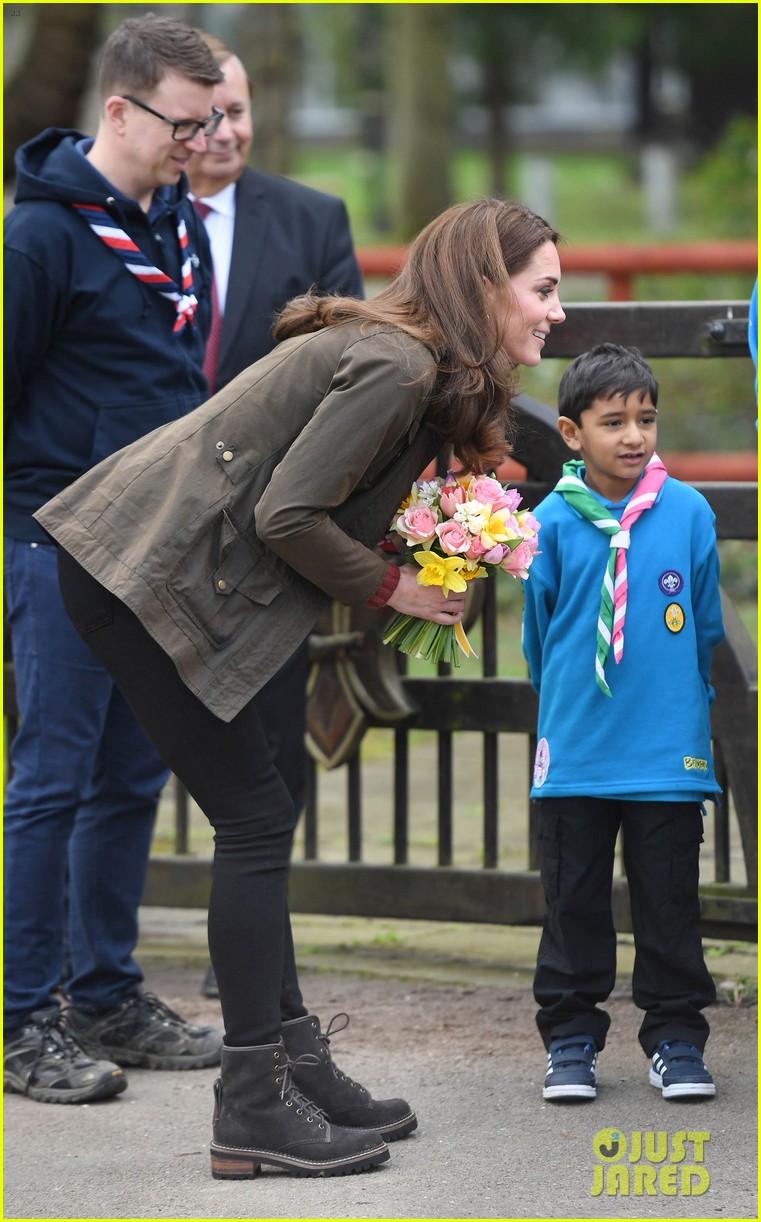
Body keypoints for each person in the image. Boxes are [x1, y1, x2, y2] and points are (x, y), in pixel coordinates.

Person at [36, 197, 565, 1177]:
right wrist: (392, 583)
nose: (555, 313)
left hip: (150, 566)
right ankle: (250, 1108)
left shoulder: (412, 365)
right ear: (485, 288)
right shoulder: (398, 363)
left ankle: (293, 1063)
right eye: (540, 291)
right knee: (251, 819)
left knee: (257, 813)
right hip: (134, 570)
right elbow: (288, 513)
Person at [3, 14, 226, 1106]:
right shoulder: (40, 238)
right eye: (187, 124)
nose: (204, 141)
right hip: (58, 541)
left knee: (129, 776)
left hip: (156, 549)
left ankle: (106, 994)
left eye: (215, 119)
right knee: (48, 783)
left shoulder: (174, 220)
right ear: (122, 110)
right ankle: (18, 1020)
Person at [186, 33, 365, 998]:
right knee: (131, 747)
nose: (228, 130)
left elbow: (347, 363)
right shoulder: (136, 219)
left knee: (270, 729)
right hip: (161, 514)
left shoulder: (309, 216)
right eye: (209, 113)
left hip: (270, 520)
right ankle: (99, 955)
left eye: (240, 110)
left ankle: (250, 953)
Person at [521, 343, 724, 1105]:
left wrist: (676, 710)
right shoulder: (548, 525)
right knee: (571, 901)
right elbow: (539, 638)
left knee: (668, 901)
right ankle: (569, 1040)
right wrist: (567, 712)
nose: (633, 436)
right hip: (576, 748)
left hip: (664, 750)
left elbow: (702, 625)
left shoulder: (688, 512)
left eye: (645, 418)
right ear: (572, 434)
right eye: (612, 422)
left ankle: (675, 1039)